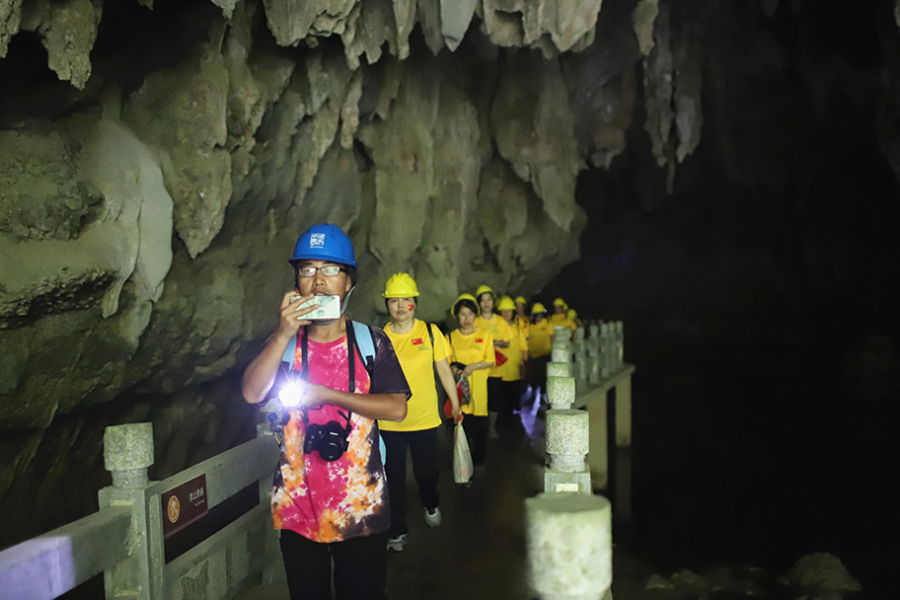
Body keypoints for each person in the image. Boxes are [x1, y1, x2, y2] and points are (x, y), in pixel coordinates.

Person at [242, 223, 410, 600]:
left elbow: (396, 408)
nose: (318, 280)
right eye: (308, 270)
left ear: (348, 283)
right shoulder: (283, 346)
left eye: (331, 269)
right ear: (296, 284)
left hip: (361, 509)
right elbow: (252, 393)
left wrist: (328, 394)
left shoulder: (371, 342)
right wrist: (283, 332)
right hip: (298, 508)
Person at [379, 273, 461, 553]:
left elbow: (442, 370)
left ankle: (430, 501)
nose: (400, 305)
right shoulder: (381, 337)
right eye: (394, 300)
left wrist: (455, 403)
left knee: (427, 473)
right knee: (394, 480)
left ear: (415, 302)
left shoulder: (430, 333)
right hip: (390, 421)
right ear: (387, 304)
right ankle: (398, 530)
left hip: (425, 418)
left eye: (406, 300)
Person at [446, 294, 495, 470]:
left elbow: (491, 361)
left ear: (475, 315)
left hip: (479, 390)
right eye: (462, 314)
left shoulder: (485, 335)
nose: (467, 318)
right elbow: (445, 364)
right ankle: (464, 465)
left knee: (480, 430)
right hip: (459, 392)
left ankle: (480, 462)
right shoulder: (450, 338)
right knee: (462, 430)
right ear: (457, 316)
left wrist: (475, 366)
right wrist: (452, 369)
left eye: (470, 314)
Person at [473, 285, 511, 440]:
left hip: (495, 369)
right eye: (483, 300)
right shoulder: (475, 322)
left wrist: (498, 342)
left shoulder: (501, 321)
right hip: (480, 369)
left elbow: (508, 343)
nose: (486, 303)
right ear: (479, 304)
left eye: (489, 299)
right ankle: (480, 429)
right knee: (480, 401)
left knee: (495, 401)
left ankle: (491, 428)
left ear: (493, 302)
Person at [497, 296, 529, 432]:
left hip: (514, 371)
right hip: (498, 372)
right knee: (499, 400)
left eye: (508, 310)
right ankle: (499, 423)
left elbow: (524, 348)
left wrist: (525, 366)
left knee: (512, 398)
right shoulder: (495, 328)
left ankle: (509, 423)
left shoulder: (517, 329)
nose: (506, 313)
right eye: (503, 311)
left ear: (512, 312)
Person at [527, 303, 554, 403]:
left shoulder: (547, 323)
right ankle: (533, 395)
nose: (539, 317)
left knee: (544, 376)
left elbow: (552, 337)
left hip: (545, 354)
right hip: (533, 355)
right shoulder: (530, 325)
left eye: (540, 315)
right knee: (533, 376)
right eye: (537, 315)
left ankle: (544, 396)